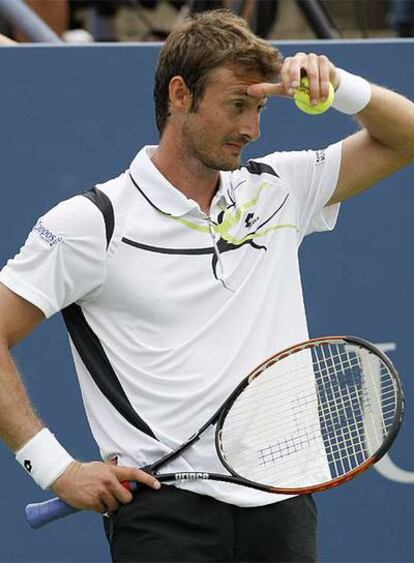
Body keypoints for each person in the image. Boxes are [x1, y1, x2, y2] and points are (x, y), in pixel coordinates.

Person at [0, 9, 413, 563]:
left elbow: (405, 137)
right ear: (180, 95)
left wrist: (342, 88)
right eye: (237, 104)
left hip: (284, 508)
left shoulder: (280, 188)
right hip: (164, 518)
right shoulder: (91, 223)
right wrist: (53, 467)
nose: (253, 128)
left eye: (260, 107)